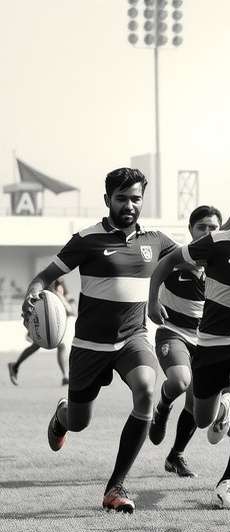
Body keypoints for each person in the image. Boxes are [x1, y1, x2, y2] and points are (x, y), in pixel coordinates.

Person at [22, 167, 177, 513]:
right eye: (121, 198)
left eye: (135, 198)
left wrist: (155, 300)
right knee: (80, 421)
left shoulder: (156, 241)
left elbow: (188, 261)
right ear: (108, 200)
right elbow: (44, 277)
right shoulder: (86, 239)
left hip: (133, 338)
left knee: (147, 391)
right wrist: (32, 296)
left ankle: (115, 487)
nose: (129, 205)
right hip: (90, 345)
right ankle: (63, 416)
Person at [149, 184, 230, 509]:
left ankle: (229, 481)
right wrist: (152, 302)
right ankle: (211, 405)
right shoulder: (216, 244)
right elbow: (166, 263)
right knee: (203, 418)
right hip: (209, 345)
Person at [147, 205, 223, 478]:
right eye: (202, 226)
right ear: (191, 229)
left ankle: (176, 456)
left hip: (205, 341)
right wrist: (152, 302)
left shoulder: (221, 264)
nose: (207, 232)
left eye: (213, 227)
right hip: (173, 331)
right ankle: (163, 407)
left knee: (196, 403)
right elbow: (154, 272)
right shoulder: (175, 257)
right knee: (180, 380)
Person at [9, 278, 75, 386]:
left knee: (59, 346)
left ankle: (65, 376)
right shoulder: (46, 287)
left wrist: (64, 300)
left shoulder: (61, 286)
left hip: (57, 323)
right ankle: (15, 366)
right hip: (45, 323)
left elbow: (70, 305)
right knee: (42, 346)